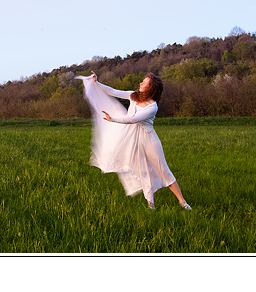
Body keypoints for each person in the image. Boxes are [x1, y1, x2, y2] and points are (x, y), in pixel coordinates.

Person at [76, 71, 191, 210]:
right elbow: (113, 91)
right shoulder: (133, 96)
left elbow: (132, 119)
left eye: (144, 83)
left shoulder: (152, 107)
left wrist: (113, 119)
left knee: (163, 170)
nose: (140, 83)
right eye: (142, 81)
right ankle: (151, 205)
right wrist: (97, 83)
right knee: (143, 171)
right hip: (133, 139)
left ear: (151, 88)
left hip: (149, 140)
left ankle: (183, 202)